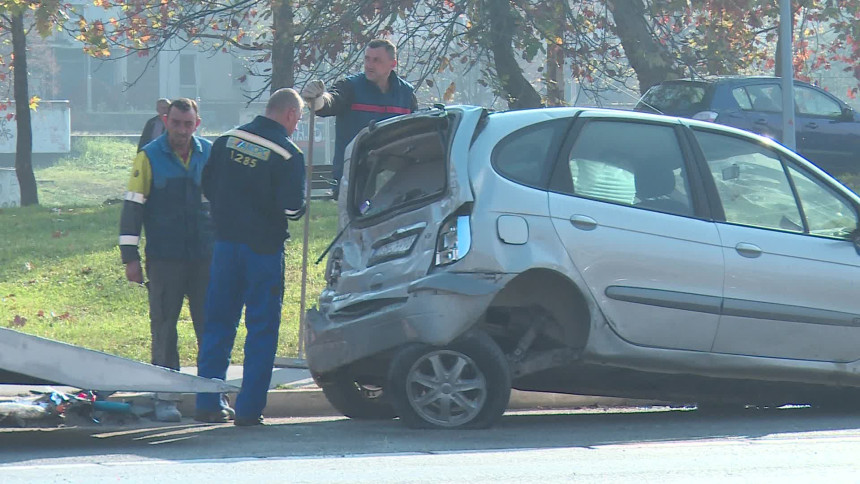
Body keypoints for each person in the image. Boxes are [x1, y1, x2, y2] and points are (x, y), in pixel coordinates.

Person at [194, 88, 306, 426]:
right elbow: (292, 206)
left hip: (225, 245)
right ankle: (248, 409)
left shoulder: (226, 140)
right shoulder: (288, 153)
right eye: (298, 120)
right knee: (261, 329)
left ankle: (208, 402)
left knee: (218, 324)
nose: (296, 127)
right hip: (263, 250)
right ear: (288, 114)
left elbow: (207, 186)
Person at [119, 98, 213, 422]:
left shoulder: (210, 154)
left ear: (197, 125)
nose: (182, 131)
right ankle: (166, 397)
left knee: (210, 328)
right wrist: (130, 258)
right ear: (165, 120)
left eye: (188, 125)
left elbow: (227, 205)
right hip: (164, 259)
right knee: (164, 327)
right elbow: (132, 210)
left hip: (205, 258)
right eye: (176, 123)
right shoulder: (148, 157)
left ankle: (211, 397)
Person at [300, 38, 417, 199]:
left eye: (376, 60)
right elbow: (330, 103)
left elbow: (415, 134)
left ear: (393, 64)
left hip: (394, 181)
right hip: (352, 181)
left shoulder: (406, 95)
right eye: (367, 59)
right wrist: (316, 99)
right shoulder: (350, 87)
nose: (369, 65)